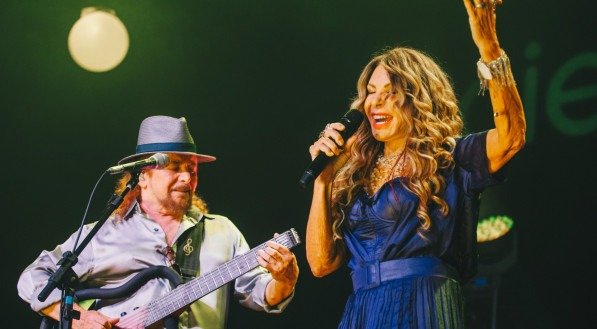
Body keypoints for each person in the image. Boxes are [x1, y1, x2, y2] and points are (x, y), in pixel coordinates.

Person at [305, 1, 525, 328]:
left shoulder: (451, 158)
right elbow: (321, 264)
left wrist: (489, 48)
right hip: (363, 311)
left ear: (417, 98)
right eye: (370, 92)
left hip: (425, 303)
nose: (375, 102)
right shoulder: (354, 174)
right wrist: (323, 180)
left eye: (390, 92)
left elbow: (511, 137)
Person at [17, 115, 299, 329]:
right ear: (143, 176)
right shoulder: (104, 233)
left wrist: (284, 280)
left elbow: (261, 294)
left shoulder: (222, 230)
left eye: (191, 168)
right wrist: (81, 319)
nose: (187, 178)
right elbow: (33, 279)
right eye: (174, 167)